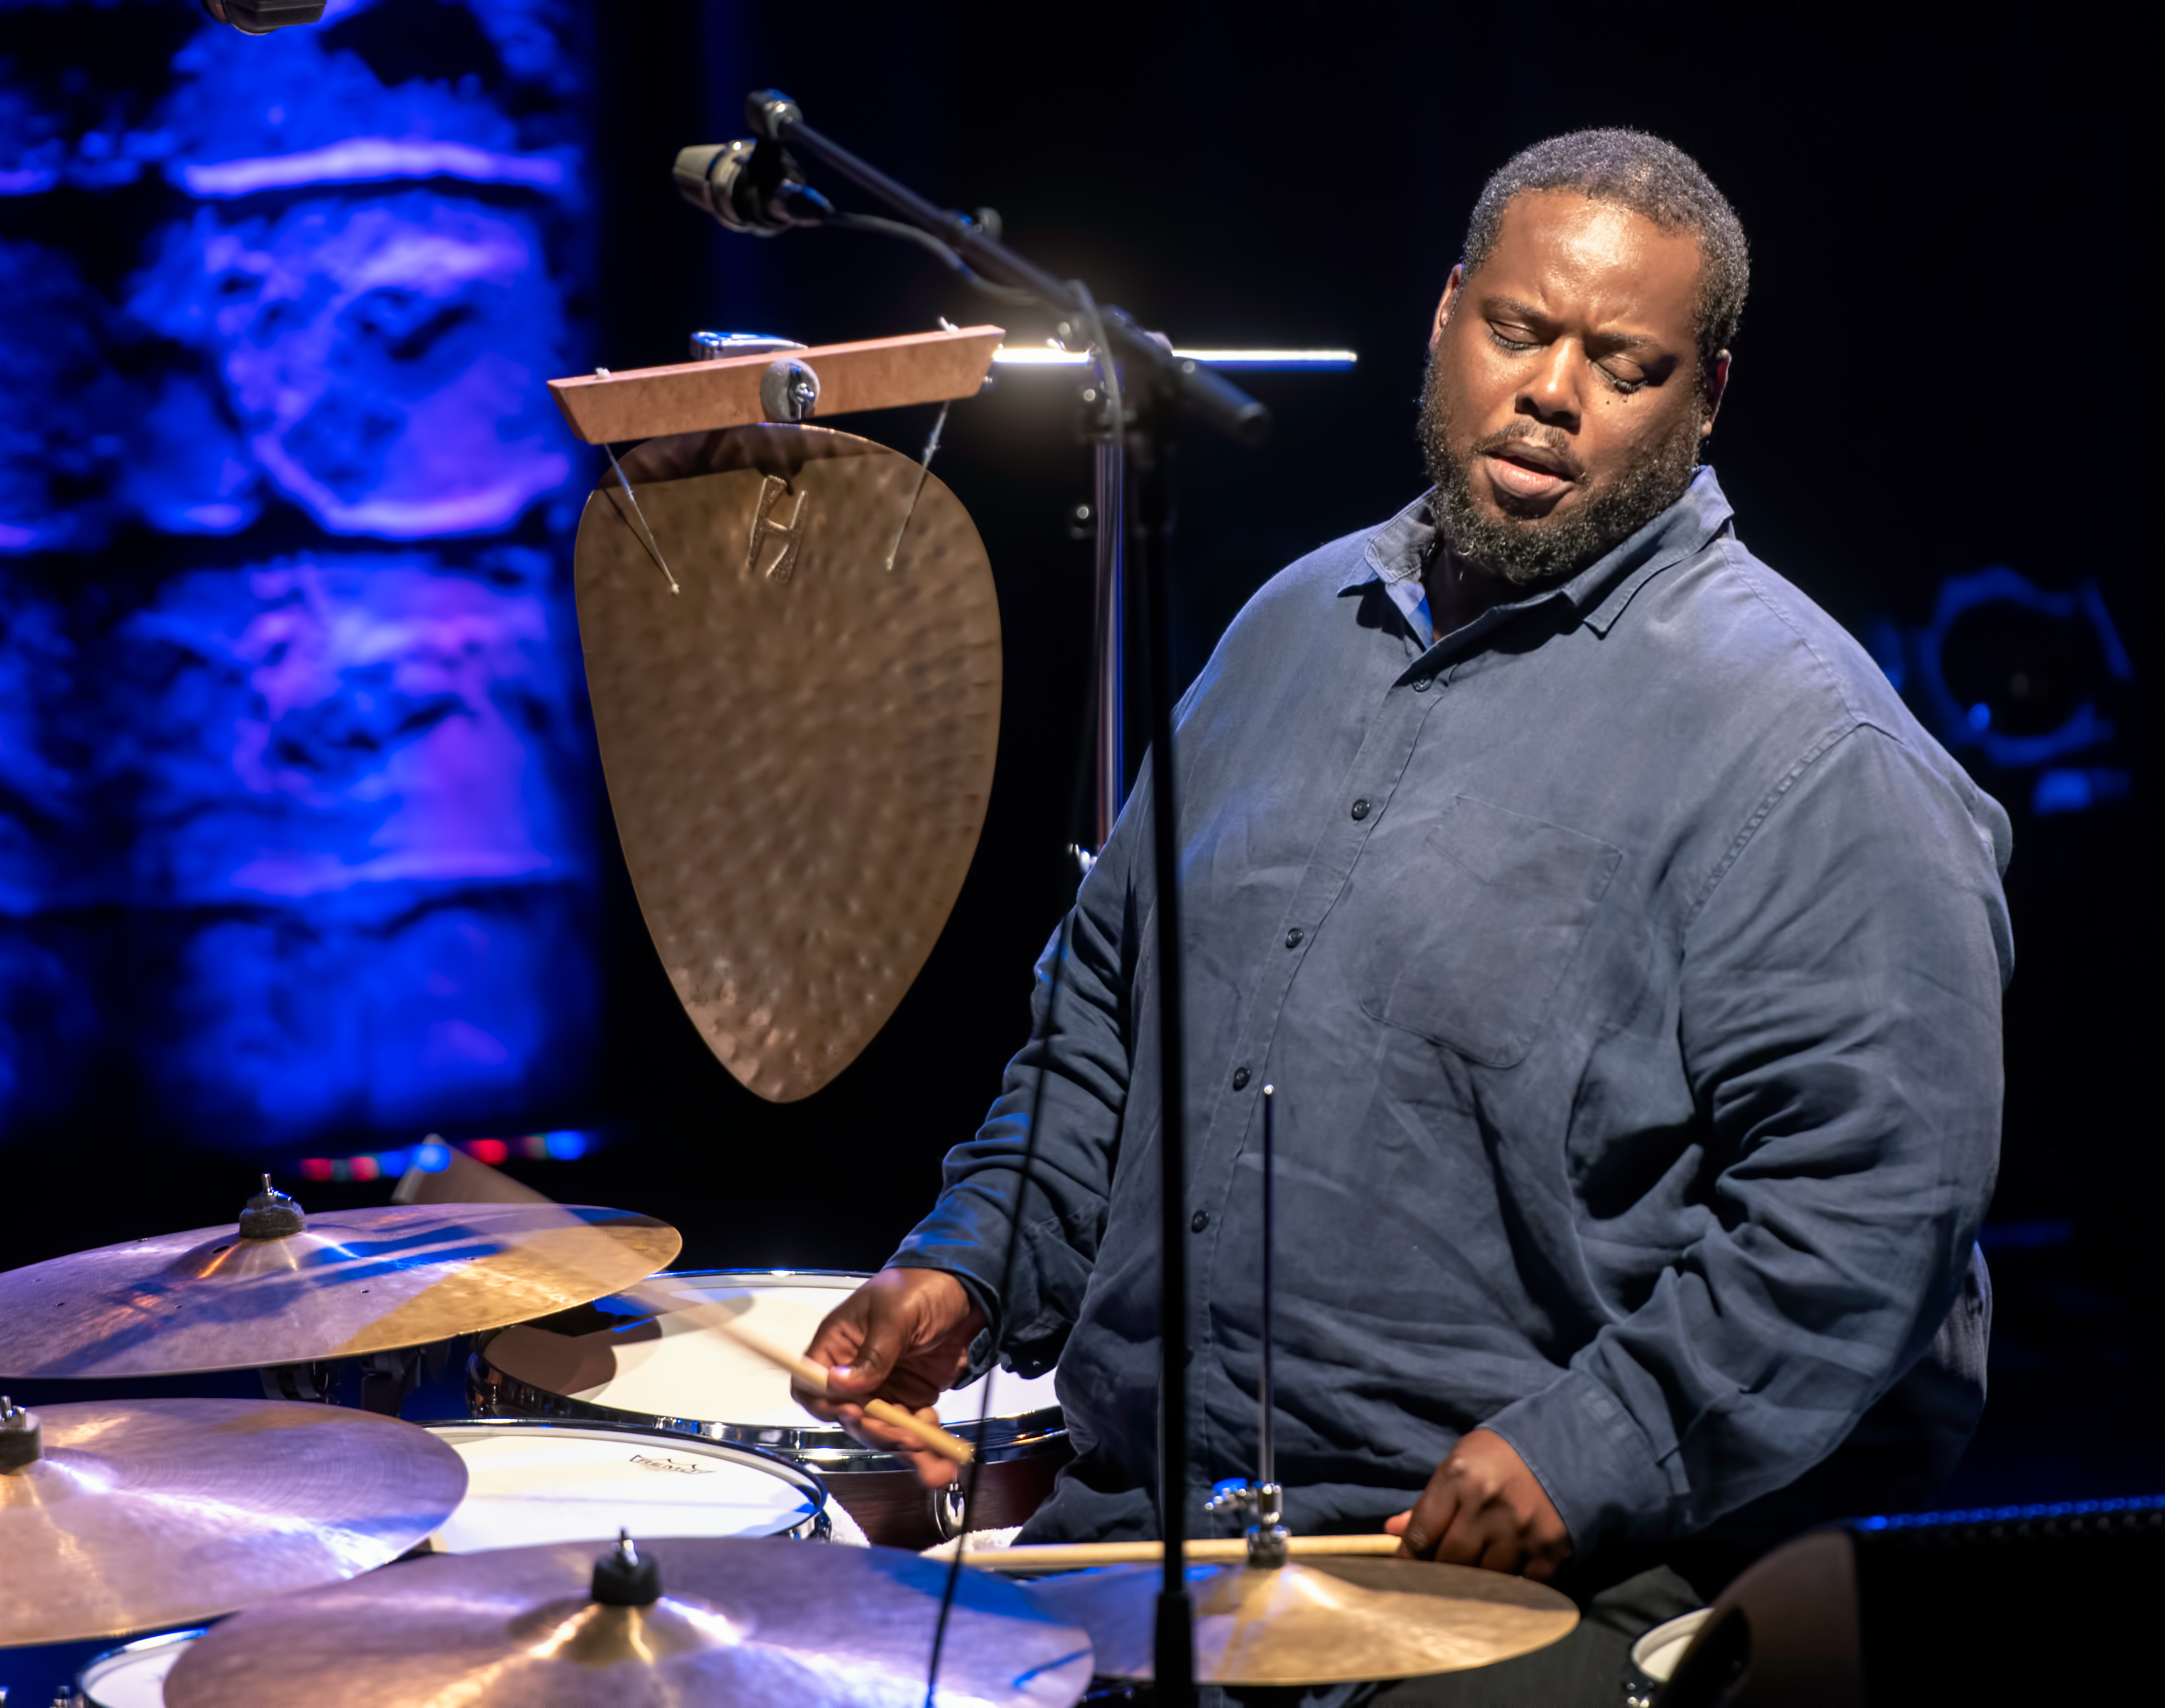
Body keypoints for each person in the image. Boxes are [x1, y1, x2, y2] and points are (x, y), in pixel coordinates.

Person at [799, 128, 2009, 1705]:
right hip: (1146, 1518)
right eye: (1518, 331)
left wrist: (1595, 1445)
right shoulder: (1283, 629)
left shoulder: (1811, 749)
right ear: (1447, 315)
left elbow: (1868, 1210)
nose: (1552, 392)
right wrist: (970, 1263)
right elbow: (1102, 1026)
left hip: (1509, 1564)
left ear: (1704, 396)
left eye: (1622, 361)